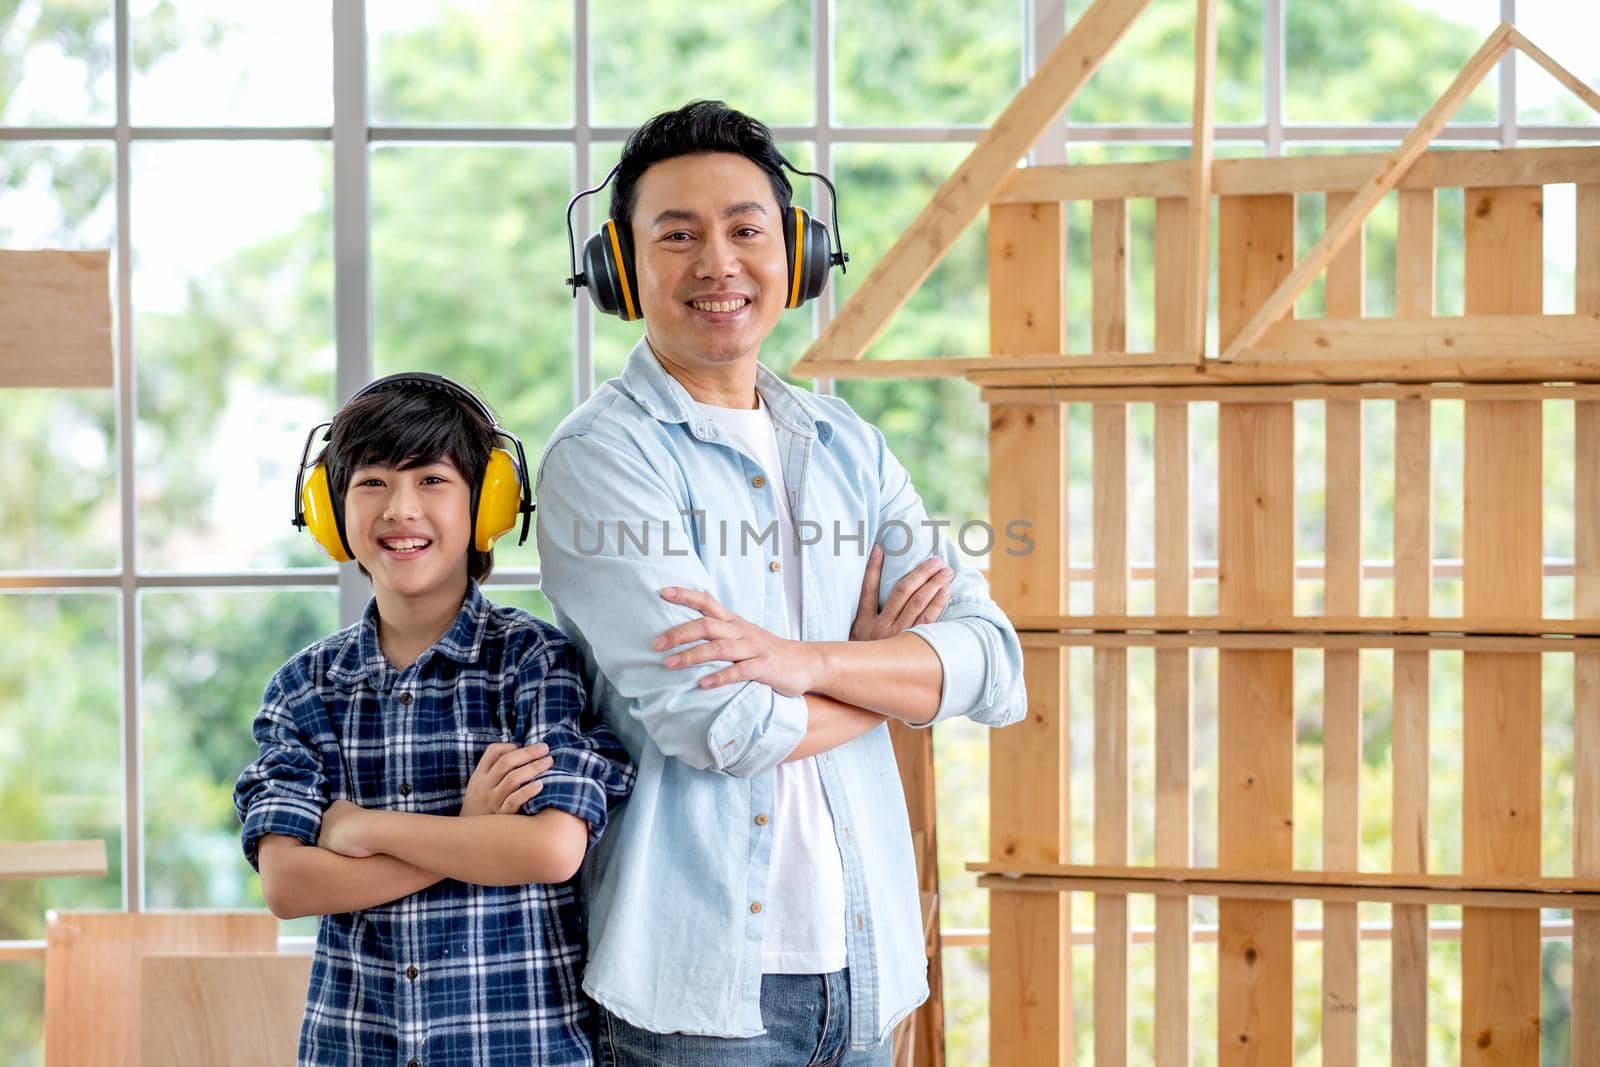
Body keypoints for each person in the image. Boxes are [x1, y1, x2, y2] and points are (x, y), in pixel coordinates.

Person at [538, 100, 1026, 1065]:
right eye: (676, 236)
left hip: (870, 962)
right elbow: (726, 728)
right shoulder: (600, 460)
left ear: (795, 253)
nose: (717, 262)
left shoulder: (848, 443)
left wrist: (801, 660)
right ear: (621, 269)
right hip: (700, 988)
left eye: (746, 229)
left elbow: (992, 662)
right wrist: (888, 678)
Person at [234, 373, 633, 1067]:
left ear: (487, 504)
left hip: (524, 1048)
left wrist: (361, 829)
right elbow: (289, 884)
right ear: (329, 509)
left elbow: (549, 850)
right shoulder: (304, 689)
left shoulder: (533, 662)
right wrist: (473, 834)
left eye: (431, 479)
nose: (401, 508)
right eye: (372, 482)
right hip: (356, 1047)